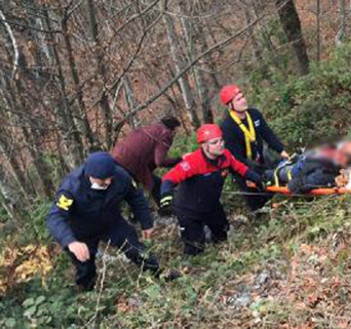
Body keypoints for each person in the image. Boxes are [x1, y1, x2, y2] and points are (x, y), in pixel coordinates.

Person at [47, 152, 177, 291]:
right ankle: (87, 294)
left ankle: (159, 273)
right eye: (103, 179)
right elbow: (55, 217)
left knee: (135, 249)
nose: (108, 182)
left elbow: (135, 197)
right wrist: (70, 241)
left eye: (110, 177)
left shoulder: (121, 176)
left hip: (111, 222)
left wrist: (146, 222)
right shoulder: (71, 187)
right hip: (82, 232)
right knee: (85, 266)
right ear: (90, 175)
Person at [159, 124, 263, 255]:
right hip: (188, 210)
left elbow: (241, 169)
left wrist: (258, 180)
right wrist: (165, 194)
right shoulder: (193, 162)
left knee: (222, 235)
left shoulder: (226, 156)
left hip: (212, 205)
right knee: (195, 247)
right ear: (204, 145)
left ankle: (222, 257)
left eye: (221, 140)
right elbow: (169, 178)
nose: (220, 144)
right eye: (215, 142)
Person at [218, 84, 289, 212]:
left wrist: (281, 150)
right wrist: (250, 175)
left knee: (271, 188)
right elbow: (236, 158)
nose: (243, 100)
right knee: (257, 201)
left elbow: (267, 134)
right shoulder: (227, 128)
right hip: (242, 168)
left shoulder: (254, 114)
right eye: (238, 100)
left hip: (260, 159)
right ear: (230, 106)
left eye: (243, 97)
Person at [111, 115, 182, 208]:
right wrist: (179, 160)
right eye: (176, 130)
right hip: (130, 164)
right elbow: (160, 161)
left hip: (116, 158)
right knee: (151, 187)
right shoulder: (165, 135)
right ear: (173, 128)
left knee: (149, 185)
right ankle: (166, 210)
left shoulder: (150, 129)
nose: (176, 133)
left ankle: (138, 214)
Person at [267, 140, 351, 194]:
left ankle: (268, 171)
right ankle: (266, 174)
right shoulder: (324, 175)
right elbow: (297, 185)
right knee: (275, 172)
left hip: (304, 161)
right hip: (296, 169)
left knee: (279, 166)